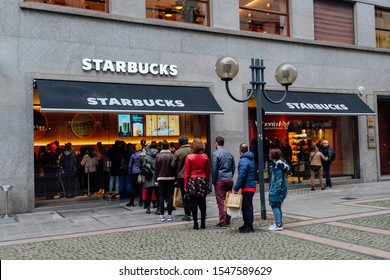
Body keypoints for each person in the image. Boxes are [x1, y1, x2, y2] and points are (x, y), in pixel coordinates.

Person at [184, 138, 210, 230]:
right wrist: (207, 180)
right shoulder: (205, 156)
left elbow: (186, 172)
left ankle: (195, 223)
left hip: (193, 180)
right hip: (202, 179)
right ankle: (203, 222)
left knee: (193, 202)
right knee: (203, 202)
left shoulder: (189, 157)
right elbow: (207, 171)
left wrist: (185, 185)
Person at [211, 136, 235, 229]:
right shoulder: (229, 153)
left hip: (220, 179)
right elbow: (233, 166)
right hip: (229, 178)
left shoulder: (215, 154)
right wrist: (231, 176)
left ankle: (223, 222)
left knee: (221, 201)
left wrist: (213, 181)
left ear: (216, 143)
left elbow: (214, 169)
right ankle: (228, 219)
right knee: (229, 200)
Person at [233, 143, 256, 233]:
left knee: (247, 207)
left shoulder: (243, 161)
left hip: (247, 187)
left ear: (240, 150)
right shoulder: (250, 159)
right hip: (251, 185)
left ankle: (249, 225)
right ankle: (247, 223)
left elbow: (242, 176)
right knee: (247, 206)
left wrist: (236, 187)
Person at [268, 148, 289, 231]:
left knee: (275, 205)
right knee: (278, 205)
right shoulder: (279, 164)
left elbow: (278, 180)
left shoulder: (278, 166)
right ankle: (278, 222)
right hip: (281, 189)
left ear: (272, 156)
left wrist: (274, 191)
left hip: (278, 190)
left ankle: (278, 224)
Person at [171, 135, 192, 221]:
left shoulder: (178, 152)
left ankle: (187, 213)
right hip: (192, 175)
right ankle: (193, 210)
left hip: (182, 176)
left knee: (184, 195)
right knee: (192, 194)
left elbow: (173, 165)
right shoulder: (193, 150)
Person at [154, 140, 176, 222]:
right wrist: (175, 178)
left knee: (161, 196)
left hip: (161, 178)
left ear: (162, 147)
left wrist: (155, 179)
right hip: (170, 178)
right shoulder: (172, 155)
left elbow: (156, 169)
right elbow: (174, 168)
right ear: (169, 146)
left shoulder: (158, 156)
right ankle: (170, 215)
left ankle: (162, 215)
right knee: (170, 196)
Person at [141, 142, 159, 215]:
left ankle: (148, 208)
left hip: (149, 176)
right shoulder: (159, 155)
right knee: (158, 193)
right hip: (157, 176)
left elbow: (143, 166)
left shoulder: (146, 156)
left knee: (149, 193)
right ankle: (158, 208)